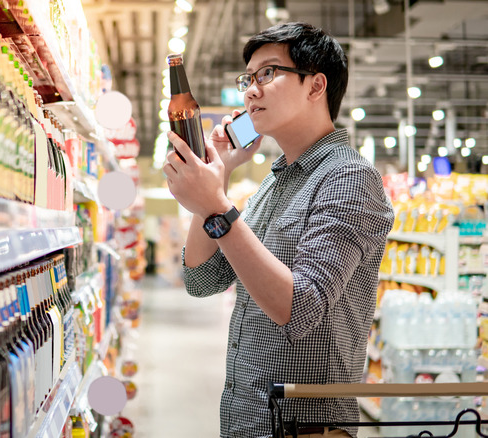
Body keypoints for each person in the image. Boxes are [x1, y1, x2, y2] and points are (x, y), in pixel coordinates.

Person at [163, 22, 395, 438]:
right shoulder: (275, 180)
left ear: (315, 85)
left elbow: (299, 308)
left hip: (305, 428)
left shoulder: (349, 178)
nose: (251, 90)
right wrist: (221, 178)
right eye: (248, 78)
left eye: (268, 73)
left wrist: (217, 204)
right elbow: (202, 278)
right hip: (247, 417)